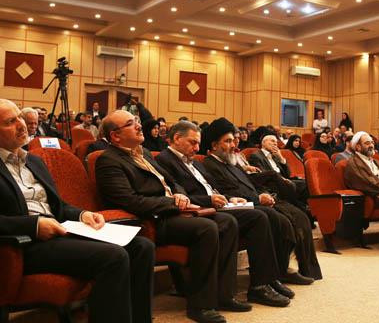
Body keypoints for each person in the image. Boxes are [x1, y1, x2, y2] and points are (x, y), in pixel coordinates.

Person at [0, 98, 155, 323]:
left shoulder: (34, 161)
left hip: (59, 232)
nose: (21, 125)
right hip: (24, 244)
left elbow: (58, 206)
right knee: (114, 256)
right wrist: (34, 226)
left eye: (19, 117)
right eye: (10, 122)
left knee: (142, 247)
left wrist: (82, 214)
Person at [96, 110, 247, 323]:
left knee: (227, 221)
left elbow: (172, 182)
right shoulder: (108, 160)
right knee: (207, 228)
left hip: (174, 211)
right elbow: (129, 201)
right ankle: (201, 305)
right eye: (130, 123)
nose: (139, 125)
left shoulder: (144, 153)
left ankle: (224, 294)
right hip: (152, 220)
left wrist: (180, 195)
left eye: (137, 121)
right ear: (115, 136)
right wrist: (172, 203)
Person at [155, 120, 292, 307]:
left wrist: (231, 198)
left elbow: (213, 189)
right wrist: (210, 200)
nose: (197, 148)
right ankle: (258, 286)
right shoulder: (164, 160)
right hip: (199, 210)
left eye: (198, 143)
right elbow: (182, 196)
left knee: (265, 214)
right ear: (177, 138)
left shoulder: (195, 163)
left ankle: (267, 280)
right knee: (258, 217)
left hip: (218, 205)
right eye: (193, 142)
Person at [201, 118, 322, 284]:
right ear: (214, 145)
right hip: (245, 205)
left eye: (233, 140)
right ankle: (280, 271)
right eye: (228, 141)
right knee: (283, 222)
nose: (234, 145)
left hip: (258, 199)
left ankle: (301, 269)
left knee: (300, 217)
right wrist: (258, 198)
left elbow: (251, 184)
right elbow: (229, 191)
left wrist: (264, 194)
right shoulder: (210, 165)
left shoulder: (231, 163)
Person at [248, 135, 309, 213]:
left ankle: (304, 206)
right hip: (273, 183)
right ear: (263, 143)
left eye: (276, 142)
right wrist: (282, 179)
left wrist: (280, 158)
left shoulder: (275, 156)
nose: (275, 144)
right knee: (291, 186)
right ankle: (301, 208)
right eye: (272, 141)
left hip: (284, 180)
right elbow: (262, 174)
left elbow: (288, 174)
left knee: (305, 184)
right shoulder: (256, 156)